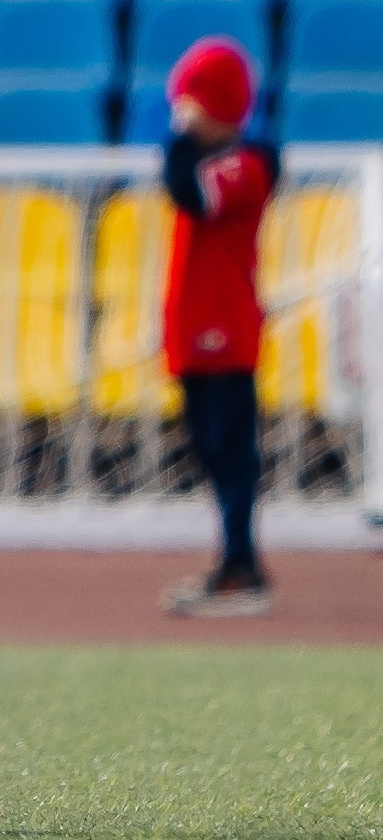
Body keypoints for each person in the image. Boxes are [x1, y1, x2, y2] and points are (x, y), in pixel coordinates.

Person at [158, 37, 279, 619]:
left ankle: (241, 566)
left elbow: (189, 191)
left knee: (230, 449)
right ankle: (234, 560)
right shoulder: (227, 162)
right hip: (197, 330)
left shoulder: (249, 165)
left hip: (223, 329)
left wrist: (180, 137)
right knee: (211, 448)